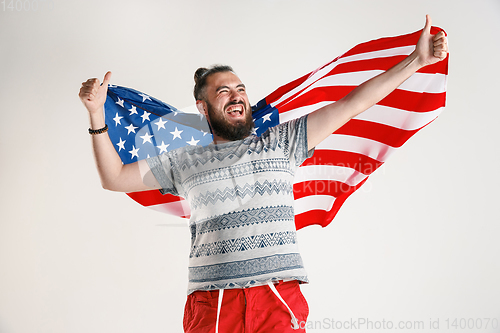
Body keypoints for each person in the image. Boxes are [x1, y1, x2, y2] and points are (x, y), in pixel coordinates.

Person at [79, 15, 448, 333]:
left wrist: (415, 61)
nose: (236, 95)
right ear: (202, 107)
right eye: (223, 91)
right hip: (211, 303)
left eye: (240, 88)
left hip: (277, 298)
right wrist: (97, 114)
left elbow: (353, 103)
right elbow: (114, 178)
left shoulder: (283, 142)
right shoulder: (184, 160)